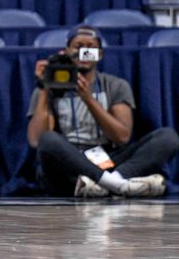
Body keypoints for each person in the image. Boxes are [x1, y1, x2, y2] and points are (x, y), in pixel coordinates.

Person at [27, 25, 179, 197]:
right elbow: (36, 140)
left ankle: (105, 183)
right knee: (48, 140)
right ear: (66, 51)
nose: (84, 51)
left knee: (168, 137)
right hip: (70, 162)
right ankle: (121, 185)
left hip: (108, 158)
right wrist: (44, 88)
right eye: (78, 46)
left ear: (100, 54)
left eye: (91, 47)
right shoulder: (49, 87)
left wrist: (88, 99)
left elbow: (121, 137)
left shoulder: (116, 85)